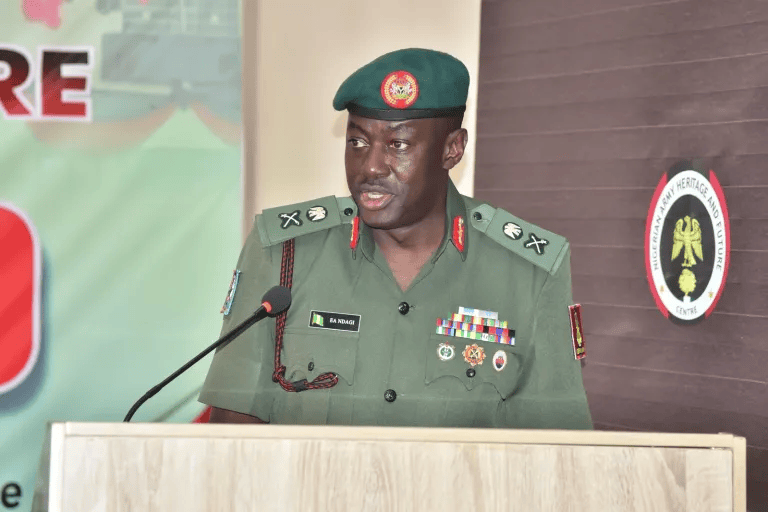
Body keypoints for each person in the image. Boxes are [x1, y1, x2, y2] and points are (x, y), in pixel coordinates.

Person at [199, 48, 592, 429]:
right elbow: (231, 439)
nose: (370, 166)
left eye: (397, 145)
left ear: (452, 150)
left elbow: (555, 456)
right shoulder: (283, 254)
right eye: (357, 142)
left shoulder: (529, 272)